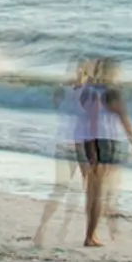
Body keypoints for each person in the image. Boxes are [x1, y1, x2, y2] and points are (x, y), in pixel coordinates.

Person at [74, 56, 132, 247]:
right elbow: (124, 119)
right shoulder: (112, 93)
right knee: (99, 192)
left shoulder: (86, 91)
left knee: (91, 191)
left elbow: (82, 119)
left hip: (87, 140)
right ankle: (91, 235)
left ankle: (91, 232)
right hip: (104, 141)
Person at [35, 60, 89, 247]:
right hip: (79, 144)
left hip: (65, 141)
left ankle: (46, 229)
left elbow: (59, 106)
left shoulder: (62, 91)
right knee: (79, 188)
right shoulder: (86, 93)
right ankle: (60, 229)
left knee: (64, 188)